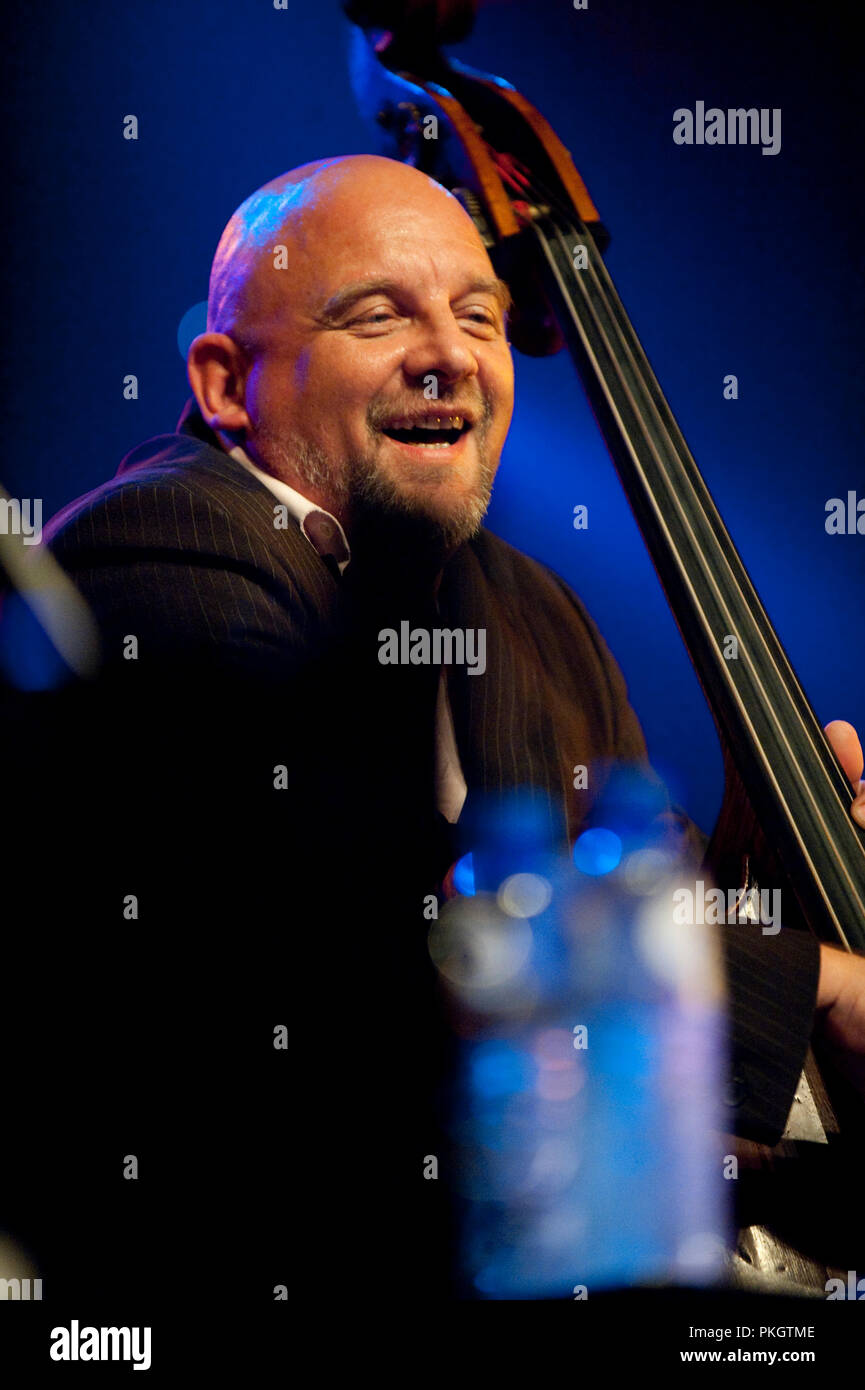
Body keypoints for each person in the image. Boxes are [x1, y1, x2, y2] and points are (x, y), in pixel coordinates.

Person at [3, 153, 864, 1310]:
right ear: (226, 383)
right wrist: (817, 984)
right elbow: (344, 904)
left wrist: (759, 878)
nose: (449, 354)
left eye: (479, 317)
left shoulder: (534, 609)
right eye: (377, 315)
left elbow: (635, 953)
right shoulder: (158, 539)